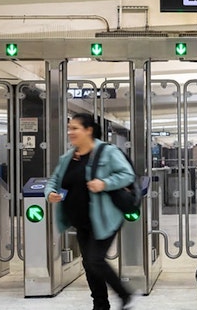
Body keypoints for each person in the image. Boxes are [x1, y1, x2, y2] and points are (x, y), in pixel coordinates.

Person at [44, 113, 135, 310]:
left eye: (75, 128)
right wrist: (50, 193)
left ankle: (124, 293)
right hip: (80, 219)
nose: (71, 132)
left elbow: (127, 175)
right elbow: (54, 180)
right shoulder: (67, 157)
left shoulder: (107, 152)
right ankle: (100, 304)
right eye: (70, 128)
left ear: (88, 130)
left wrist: (105, 183)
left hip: (105, 217)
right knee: (89, 263)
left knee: (95, 259)